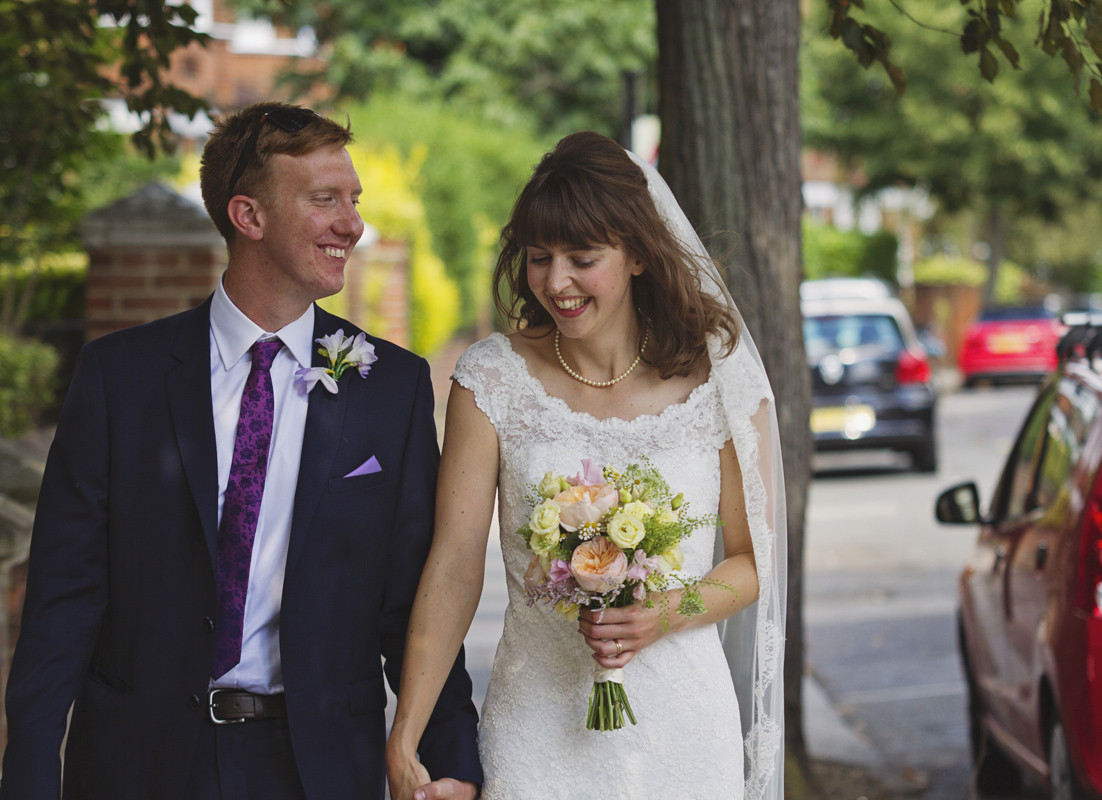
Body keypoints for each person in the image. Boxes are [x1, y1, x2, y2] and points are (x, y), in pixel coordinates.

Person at [1, 102, 481, 800]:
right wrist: (28, 779)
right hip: (141, 765)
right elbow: (62, 601)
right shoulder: (118, 379)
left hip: (318, 768)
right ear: (248, 217)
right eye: (324, 200)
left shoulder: (391, 386)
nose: (351, 223)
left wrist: (453, 763)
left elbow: (413, 600)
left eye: (354, 200)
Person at [386, 132, 787, 799]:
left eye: (582, 257)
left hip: (684, 727)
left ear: (634, 254)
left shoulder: (716, 379)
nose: (555, 282)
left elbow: (750, 561)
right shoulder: (491, 380)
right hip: (538, 721)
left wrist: (667, 611)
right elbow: (454, 565)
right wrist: (407, 732)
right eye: (539, 258)